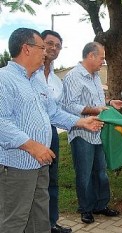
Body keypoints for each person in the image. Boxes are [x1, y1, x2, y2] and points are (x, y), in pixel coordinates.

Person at [0, 28, 103, 233]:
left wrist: (81, 122)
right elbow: (1, 121)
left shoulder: (37, 80)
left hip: (41, 162)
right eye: (41, 48)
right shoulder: (4, 79)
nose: (46, 53)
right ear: (26, 49)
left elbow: (53, 113)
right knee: (14, 221)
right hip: (17, 165)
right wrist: (30, 145)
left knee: (40, 217)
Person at [60, 42, 122, 224]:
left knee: (100, 172)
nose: (103, 62)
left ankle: (101, 205)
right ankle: (86, 209)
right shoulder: (74, 76)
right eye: (102, 57)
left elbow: (97, 102)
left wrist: (110, 103)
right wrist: (95, 111)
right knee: (84, 174)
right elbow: (68, 105)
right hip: (81, 133)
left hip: (97, 133)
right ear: (90, 56)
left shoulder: (95, 76)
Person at [33, 29, 72, 233]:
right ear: (39, 44)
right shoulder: (29, 75)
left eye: (58, 45)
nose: (53, 48)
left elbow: (60, 111)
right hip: (30, 136)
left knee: (51, 181)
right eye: (49, 43)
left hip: (51, 134)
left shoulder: (57, 81)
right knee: (30, 183)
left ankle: (51, 223)